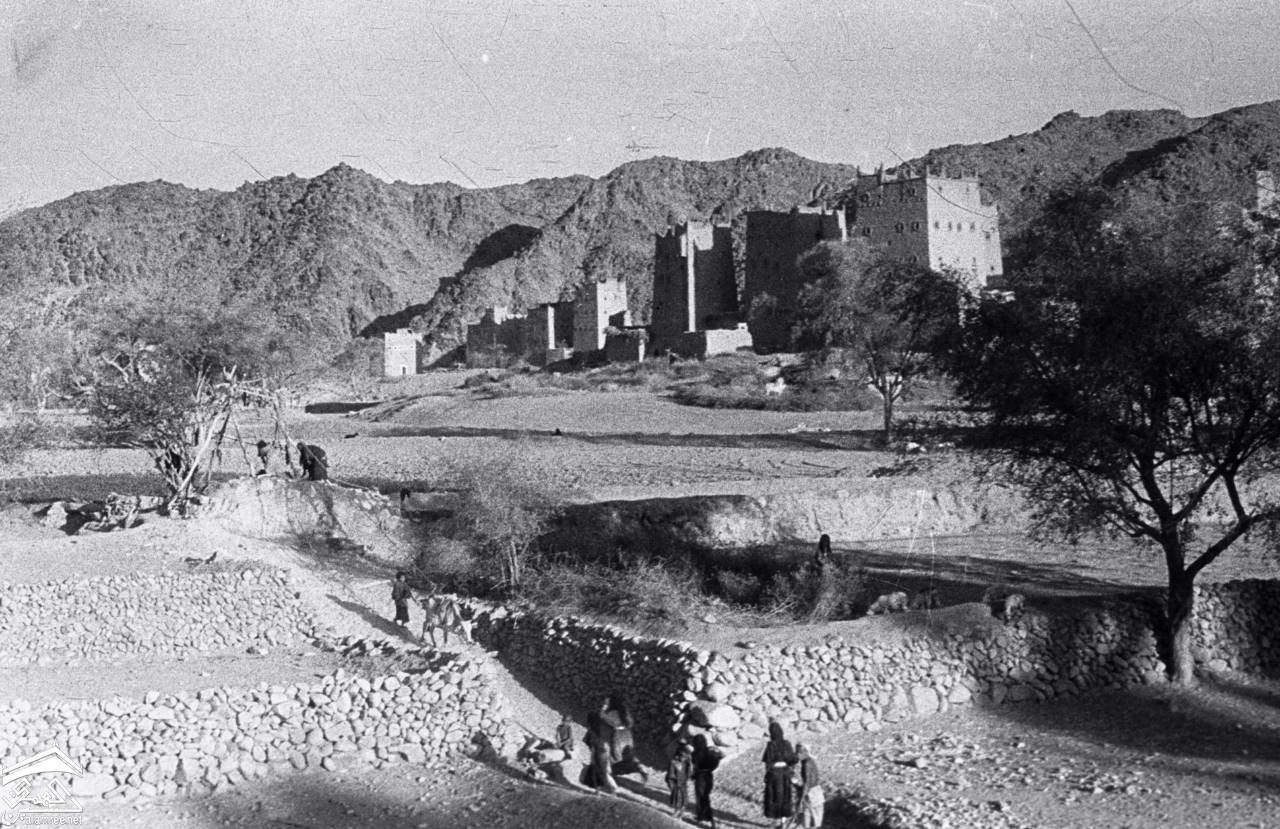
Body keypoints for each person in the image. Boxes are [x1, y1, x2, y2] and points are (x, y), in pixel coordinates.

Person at [602, 694, 648, 785]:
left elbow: (603, 719)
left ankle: (612, 776)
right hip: (627, 735)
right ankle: (638, 766)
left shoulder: (611, 713)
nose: (605, 705)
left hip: (617, 736)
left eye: (606, 703)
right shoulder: (624, 713)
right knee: (628, 756)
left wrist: (603, 710)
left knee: (616, 758)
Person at [762, 721, 797, 827]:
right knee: (785, 797)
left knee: (775, 797)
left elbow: (768, 762)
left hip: (774, 775)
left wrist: (767, 775)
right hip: (785, 774)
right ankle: (783, 822)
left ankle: (777, 819)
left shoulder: (770, 745)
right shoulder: (787, 744)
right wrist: (790, 771)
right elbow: (792, 760)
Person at [582, 711, 617, 793]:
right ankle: (607, 788)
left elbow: (588, 742)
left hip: (598, 752)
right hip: (605, 751)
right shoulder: (605, 728)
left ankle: (607, 788)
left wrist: (592, 754)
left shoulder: (592, 730)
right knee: (603, 771)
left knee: (598, 771)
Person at [690, 733, 721, 827]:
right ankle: (704, 817)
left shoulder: (695, 753)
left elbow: (695, 766)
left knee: (701, 797)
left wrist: (693, 775)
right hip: (709, 776)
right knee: (705, 797)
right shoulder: (709, 751)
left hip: (700, 777)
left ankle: (707, 817)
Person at [795, 743, 824, 828]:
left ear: (801, 753)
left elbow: (807, 781)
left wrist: (802, 795)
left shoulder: (806, 764)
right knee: (816, 814)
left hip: (811, 792)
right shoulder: (811, 760)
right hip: (817, 790)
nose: (796, 756)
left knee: (808, 812)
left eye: (797, 753)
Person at [666, 739, 692, 819]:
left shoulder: (685, 762)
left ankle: (681, 811)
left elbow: (688, 772)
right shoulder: (675, 762)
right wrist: (671, 782)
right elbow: (671, 774)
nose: (683, 758)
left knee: (682, 798)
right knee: (678, 798)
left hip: (681, 782)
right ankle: (678, 811)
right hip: (678, 782)